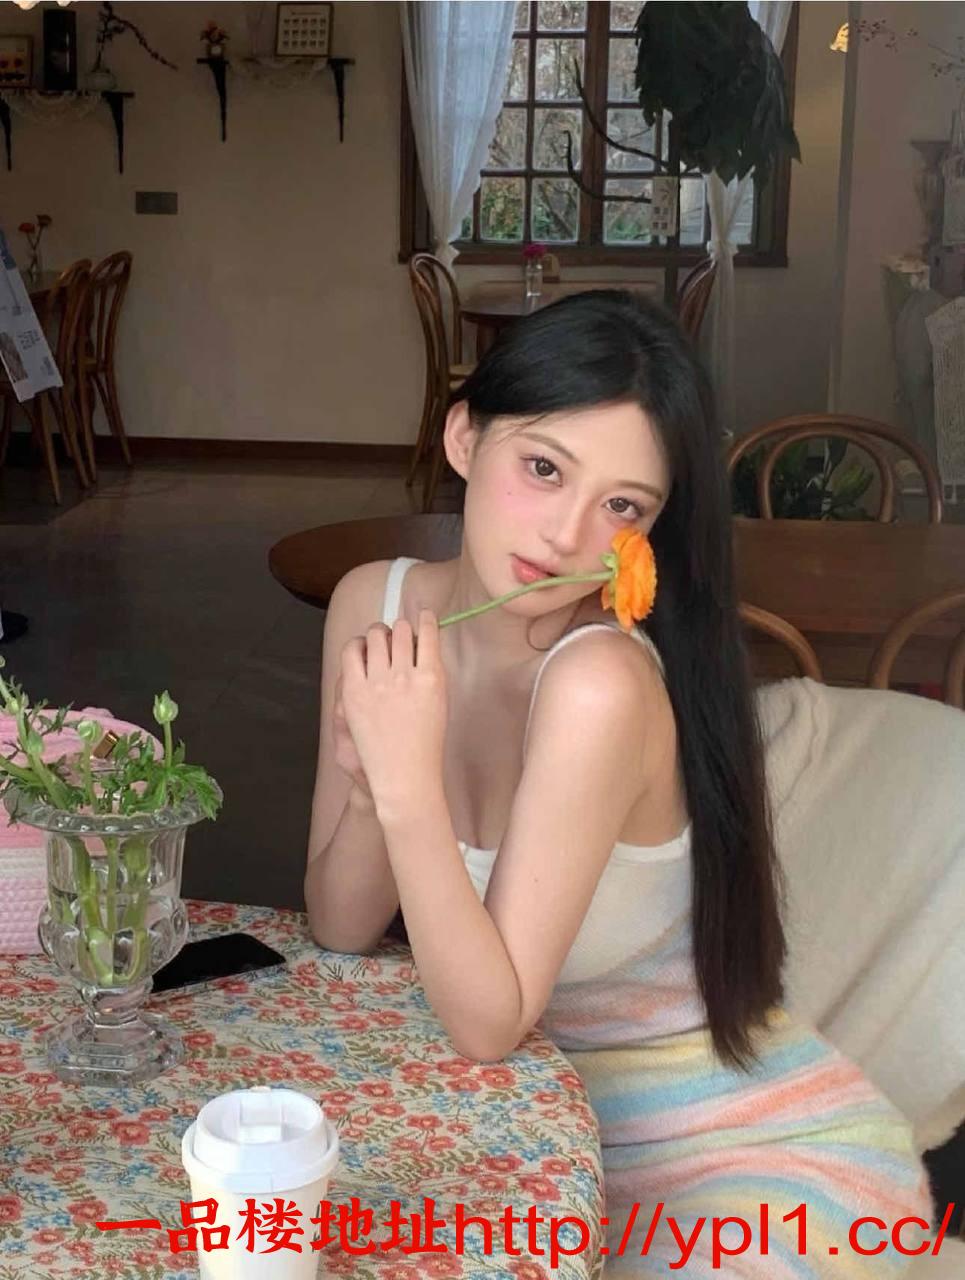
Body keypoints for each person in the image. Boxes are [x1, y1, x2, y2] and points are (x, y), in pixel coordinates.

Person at [304, 291, 932, 1275]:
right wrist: (373, 783)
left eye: (621, 505)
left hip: (747, 1159)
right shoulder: (370, 605)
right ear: (465, 436)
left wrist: (409, 786)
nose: (565, 536)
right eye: (543, 468)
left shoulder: (596, 682)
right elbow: (340, 924)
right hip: (537, 1145)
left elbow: (488, 1021)